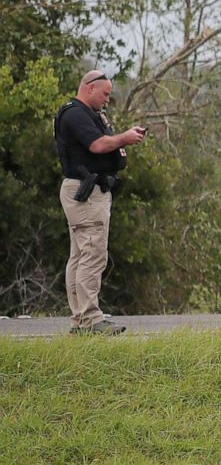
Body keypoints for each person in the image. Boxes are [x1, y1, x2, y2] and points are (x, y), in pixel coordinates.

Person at [54, 70, 146, 335]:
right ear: (90, 88)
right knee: (92, 254)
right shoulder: (74, 114)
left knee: (81, 254)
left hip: (91, 190)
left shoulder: (89, 114)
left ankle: (81, 320)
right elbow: (96, 145)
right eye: (105, 93)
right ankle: (90, 319)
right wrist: (124, 138)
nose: (107, 99)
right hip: (86, 192)